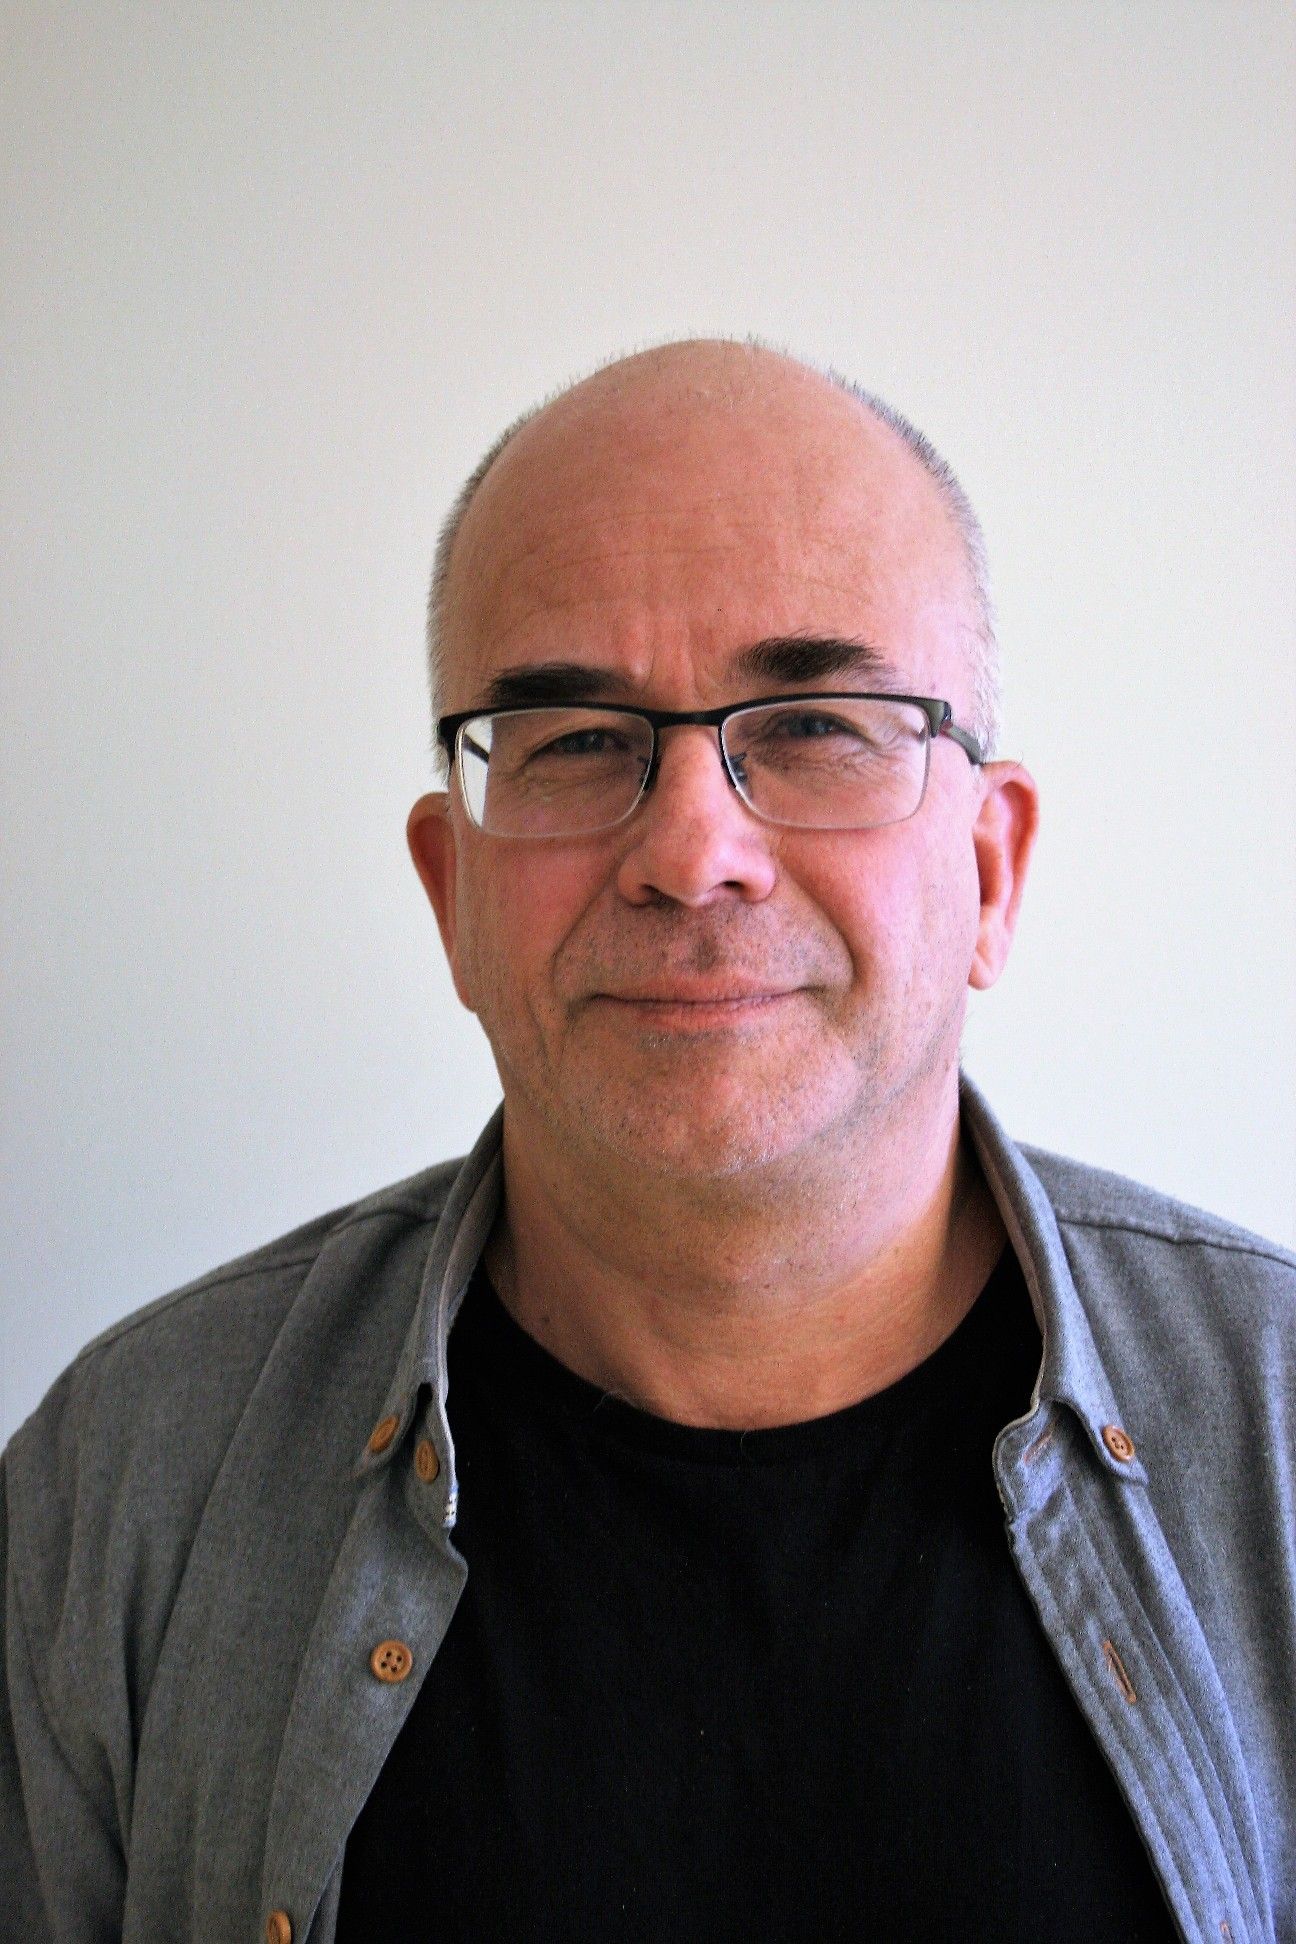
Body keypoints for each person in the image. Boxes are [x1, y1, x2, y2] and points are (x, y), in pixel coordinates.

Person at [2, 340, 1292, 1944]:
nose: (691, 851)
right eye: (576, 741)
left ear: (993, 868)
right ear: (452, 896)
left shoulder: (1279, 1441)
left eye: (816, 725)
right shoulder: (123, 1493)